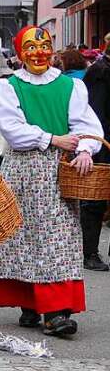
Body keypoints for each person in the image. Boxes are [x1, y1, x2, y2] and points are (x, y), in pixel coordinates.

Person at [0, 26, 102, 338]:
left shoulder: (70, 86)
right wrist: (53, 137)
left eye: (45, 45)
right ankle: (28, 301)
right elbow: (11, 129)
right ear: (19, 52)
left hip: (59, 171)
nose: (39, 52)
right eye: (31, 46)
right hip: (23, 169)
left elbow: (87, 125)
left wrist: (84, 150)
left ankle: (56, 311)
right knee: (21, 236)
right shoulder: (8, 87)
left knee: (58, 239)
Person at [80, 37, 110, 271]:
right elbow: (96, 113)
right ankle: (89, 252)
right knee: (95, 200)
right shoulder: (100, 72)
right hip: (103, 145)